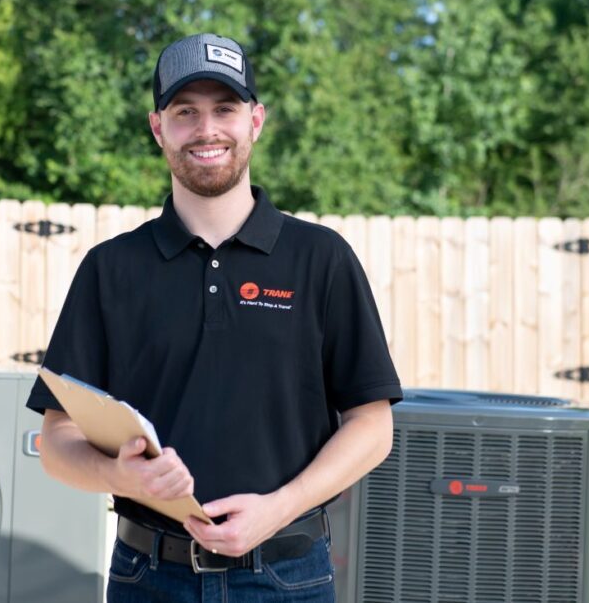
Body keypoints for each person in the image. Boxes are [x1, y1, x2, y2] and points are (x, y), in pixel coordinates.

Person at [26, 32, 402, 602]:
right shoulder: (112, 269)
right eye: (185, 112)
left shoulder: (320, 259)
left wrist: (278, 509)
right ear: (158, 128)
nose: (207, 130)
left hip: (287, 577)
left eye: (224, 108)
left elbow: (373, 428)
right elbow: (57, 440)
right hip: (146, 578)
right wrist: (117, 476)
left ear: (255, 119)